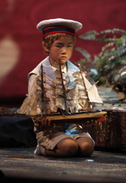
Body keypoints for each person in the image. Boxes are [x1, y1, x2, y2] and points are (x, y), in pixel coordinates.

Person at [17, 18, 103, 157]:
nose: (64, 51)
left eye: (69, 46)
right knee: (69, 148)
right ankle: (42, 148)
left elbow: (84, 102)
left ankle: (70, 142)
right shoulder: (39, 74)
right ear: (46, 47)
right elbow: (35, 107)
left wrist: (87, 116)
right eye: (59, 46)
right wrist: (40, 121)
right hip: (51, 129)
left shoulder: (77, 73)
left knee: (87, 148)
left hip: (74, 126)